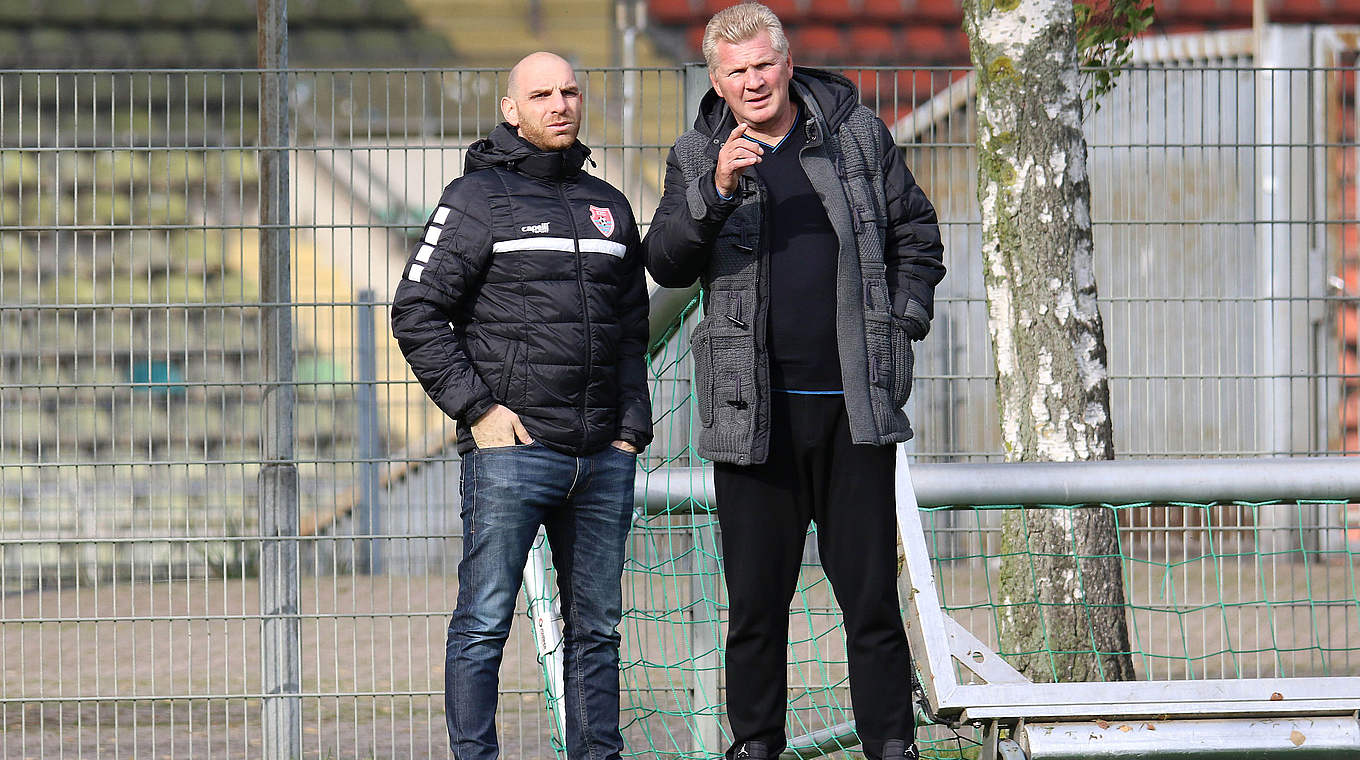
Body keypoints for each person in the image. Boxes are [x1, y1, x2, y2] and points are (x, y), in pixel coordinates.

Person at [643, 4, 945, 759]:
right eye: (736, 71)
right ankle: (755, 745)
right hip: (754, 417)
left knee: (871, 602)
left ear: (787, 62)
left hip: (855, 409)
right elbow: (667, 261)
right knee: (755, 606)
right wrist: (712, 188)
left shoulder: (856, 134)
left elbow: (917, 233)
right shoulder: (695, 152)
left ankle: (890, 745)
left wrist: (900, 321)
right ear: (716, 79)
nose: (753, 81)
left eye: (763, 66)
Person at [391, 51, 652, 760]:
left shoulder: (611, 206)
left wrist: (631, 428)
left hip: (602, 456)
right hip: (513, 454)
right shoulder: (473, 199)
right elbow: (416, 310)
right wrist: (478, 411)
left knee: (596, 630)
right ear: (511, 109)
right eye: (541, 94)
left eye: (569, 91)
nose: (559, 104)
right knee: (483, 624)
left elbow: (633, 328)